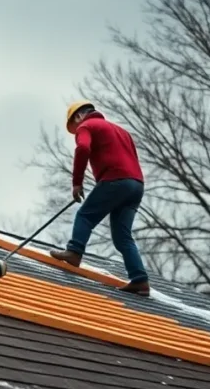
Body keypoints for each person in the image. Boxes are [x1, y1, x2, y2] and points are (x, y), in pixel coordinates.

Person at [50, 100, 150, 296]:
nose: (76, 130)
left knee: (85, 216)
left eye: (74, 126)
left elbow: (83, 149)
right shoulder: (122, 131)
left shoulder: (86, 126)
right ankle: (140, 280)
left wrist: (77, 182)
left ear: (78, 116)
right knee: (122, 237)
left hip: (115, 180)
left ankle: (74, 251)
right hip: (136, 185)